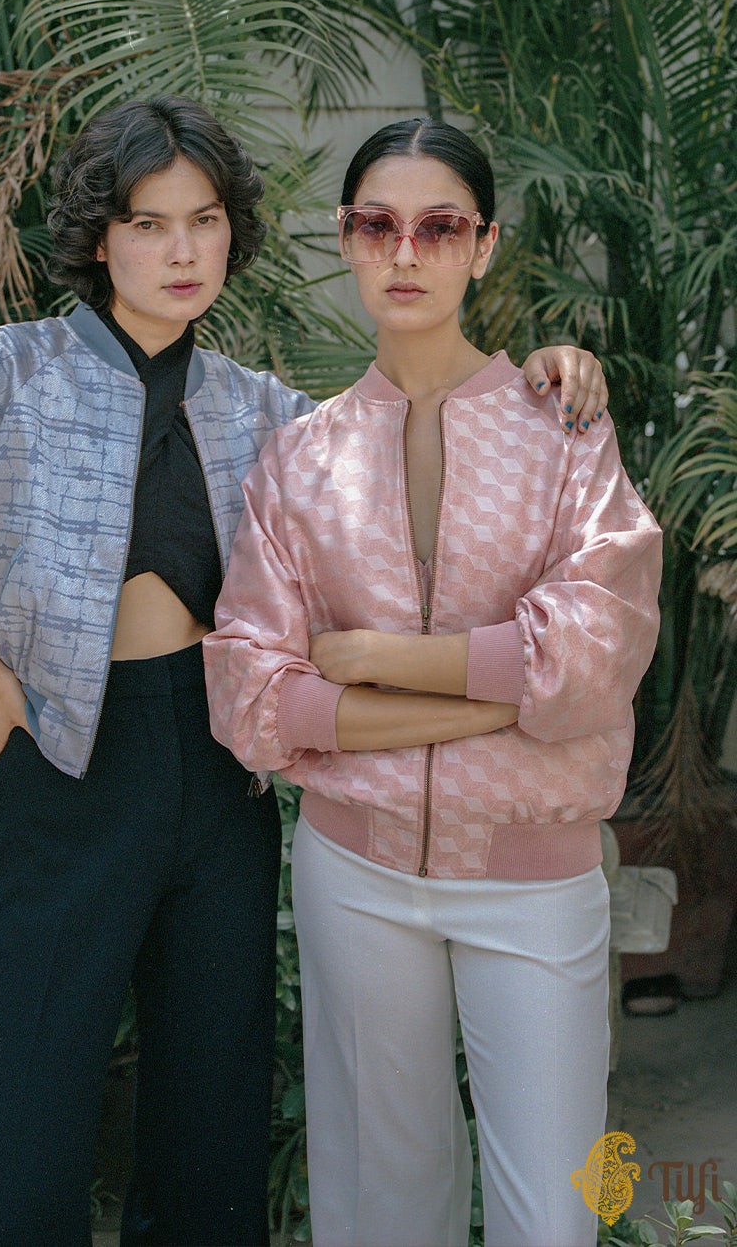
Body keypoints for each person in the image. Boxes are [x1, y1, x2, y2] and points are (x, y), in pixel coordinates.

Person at [0, 97, 608, 1247]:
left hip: (219, 784)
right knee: (37, 1133)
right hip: (67, 772)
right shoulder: (6, 374)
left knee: (212, 1133)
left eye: (204, 221)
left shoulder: (260, 410)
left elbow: (415, 433)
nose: (181, 251)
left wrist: (544, 375)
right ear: (99, 236)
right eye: (148, 224)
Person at [203, 118, 662, 1247]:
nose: (405, 252)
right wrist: (506, 699)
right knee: (379, 1209)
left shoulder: (563, 430)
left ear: (484, 246)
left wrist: (371, 662)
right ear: (346, 240)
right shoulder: (299, 458)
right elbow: (253, 691)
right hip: (354, 875)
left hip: (536, 878)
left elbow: (599, 643)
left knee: (554, 1213)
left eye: (440, 227)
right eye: (377, 225)